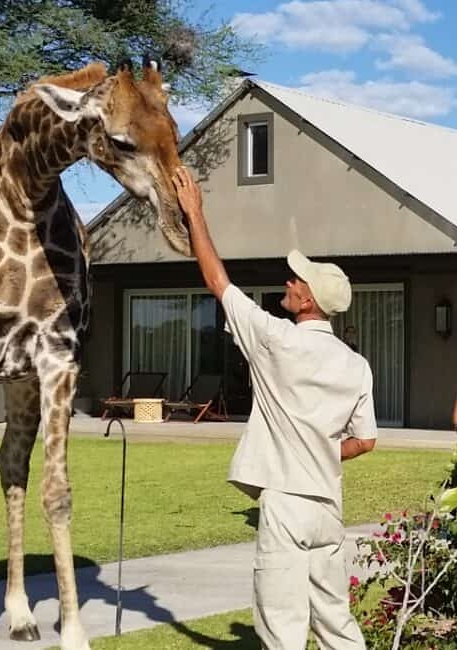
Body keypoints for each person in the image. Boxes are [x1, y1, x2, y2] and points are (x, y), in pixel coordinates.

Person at [176, 169, 373, 650]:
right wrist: (321, 452)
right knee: (336, 624)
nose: (288, 279)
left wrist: (195, 213)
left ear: (306, 299)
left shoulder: (276, 341)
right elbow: (365, 440)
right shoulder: (357, 364)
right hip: (328, 505)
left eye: (296, 277)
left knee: (281, 628)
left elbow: (216, 281)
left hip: (286, 503)